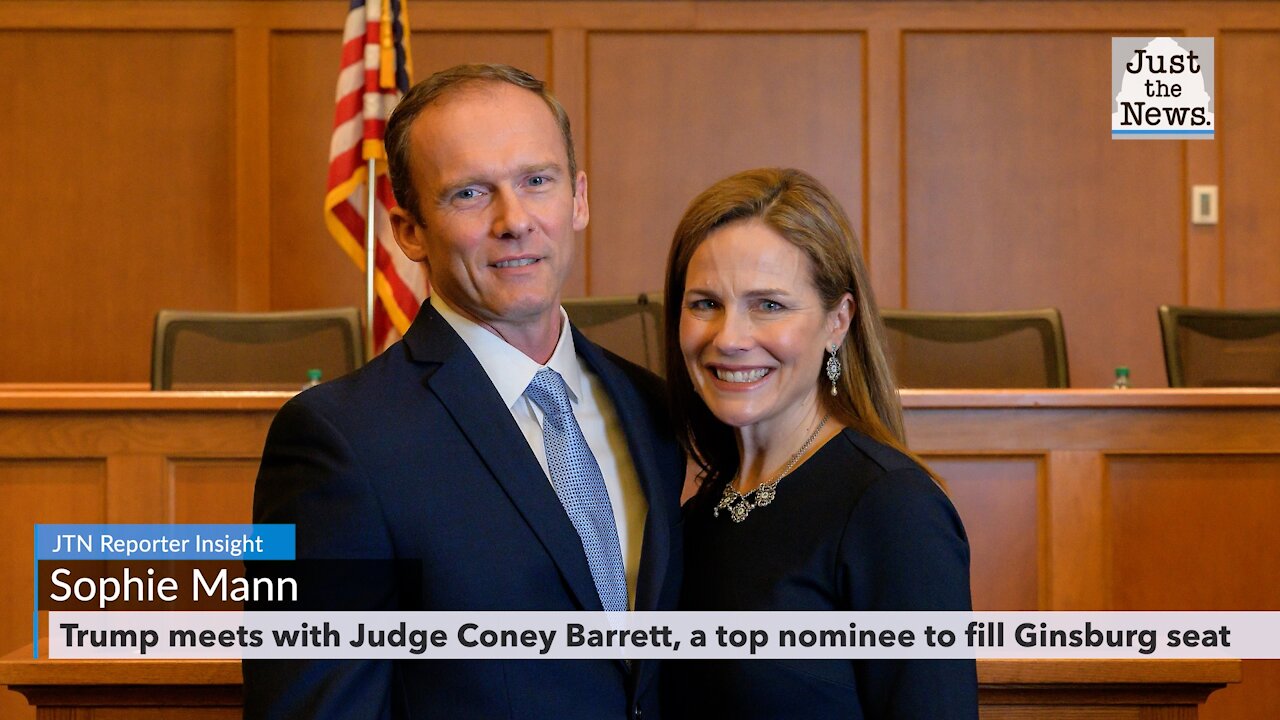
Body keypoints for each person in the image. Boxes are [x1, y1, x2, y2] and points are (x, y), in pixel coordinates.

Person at [244, 64, 684, 720]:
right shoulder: (337, 442)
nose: (515, 221)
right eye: (470, 194)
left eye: (538, 181)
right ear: (409, 231)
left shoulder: (658, 410)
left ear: (579, 198)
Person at [662, 168, 977, 718]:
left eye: (770, 305)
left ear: (838, 321)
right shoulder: (697, 515)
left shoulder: (893, 510)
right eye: (705, 304)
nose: (729, 338)